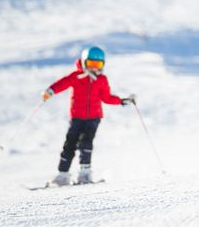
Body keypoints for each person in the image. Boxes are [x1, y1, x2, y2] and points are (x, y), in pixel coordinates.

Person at [42, 46, 135, 185]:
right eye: (91, 64)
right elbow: (62, 83)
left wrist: (121, 101)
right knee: (70, 145)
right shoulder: (76, 77)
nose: (94, 68)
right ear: (84, 62)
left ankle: (85, 175)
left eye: (98, 65)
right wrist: (50, 91)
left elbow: (106, 97)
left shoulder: (101, 80)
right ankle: (62, 176)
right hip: (77, 118)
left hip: (93, 118)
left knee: (86, 144)